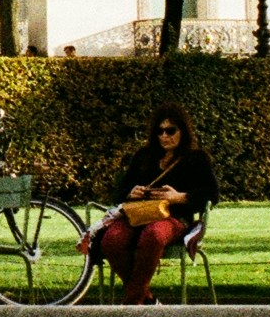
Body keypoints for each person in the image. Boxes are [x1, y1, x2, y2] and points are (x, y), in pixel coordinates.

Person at [93, 103, 217, 306]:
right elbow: (119, 191)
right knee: (112, 240)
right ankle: (147, 298)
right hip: (138, 215)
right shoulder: (144, 156)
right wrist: (131, 192)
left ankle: (132, 303)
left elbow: (211, 194)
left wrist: (179, 197)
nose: (165, 136)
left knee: (154, 234)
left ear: (183, 131)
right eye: (160, 131)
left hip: (174, 216)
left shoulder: (197, 159)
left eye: (170, 131)